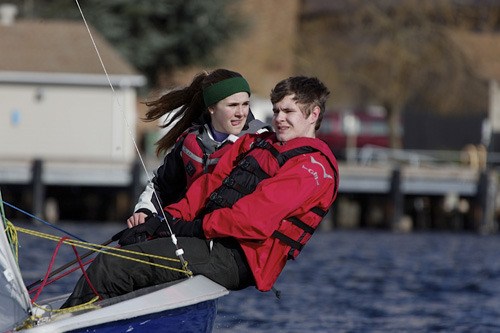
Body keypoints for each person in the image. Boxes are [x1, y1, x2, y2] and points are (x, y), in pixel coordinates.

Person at [61, 76, 339, 308]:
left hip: (238, 258)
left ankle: (65, 323)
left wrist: (192, 228)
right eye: (276, 111)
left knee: (112, 266)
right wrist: (162, 223)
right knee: (130, 249)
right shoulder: (259, 143)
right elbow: (207, 188)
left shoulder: (311, 169)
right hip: (211, 241)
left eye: (288, 112)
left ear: (313, 114)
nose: (279, 118)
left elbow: (251, 221)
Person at [127, 68, 271, 228]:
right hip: (190, 231)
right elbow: (161, 186)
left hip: (233, 235)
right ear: (211, 108)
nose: (241, 113)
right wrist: (144, 211)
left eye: (245, 104)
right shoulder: (190, 142)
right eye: (232, 105)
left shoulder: (261, 141)